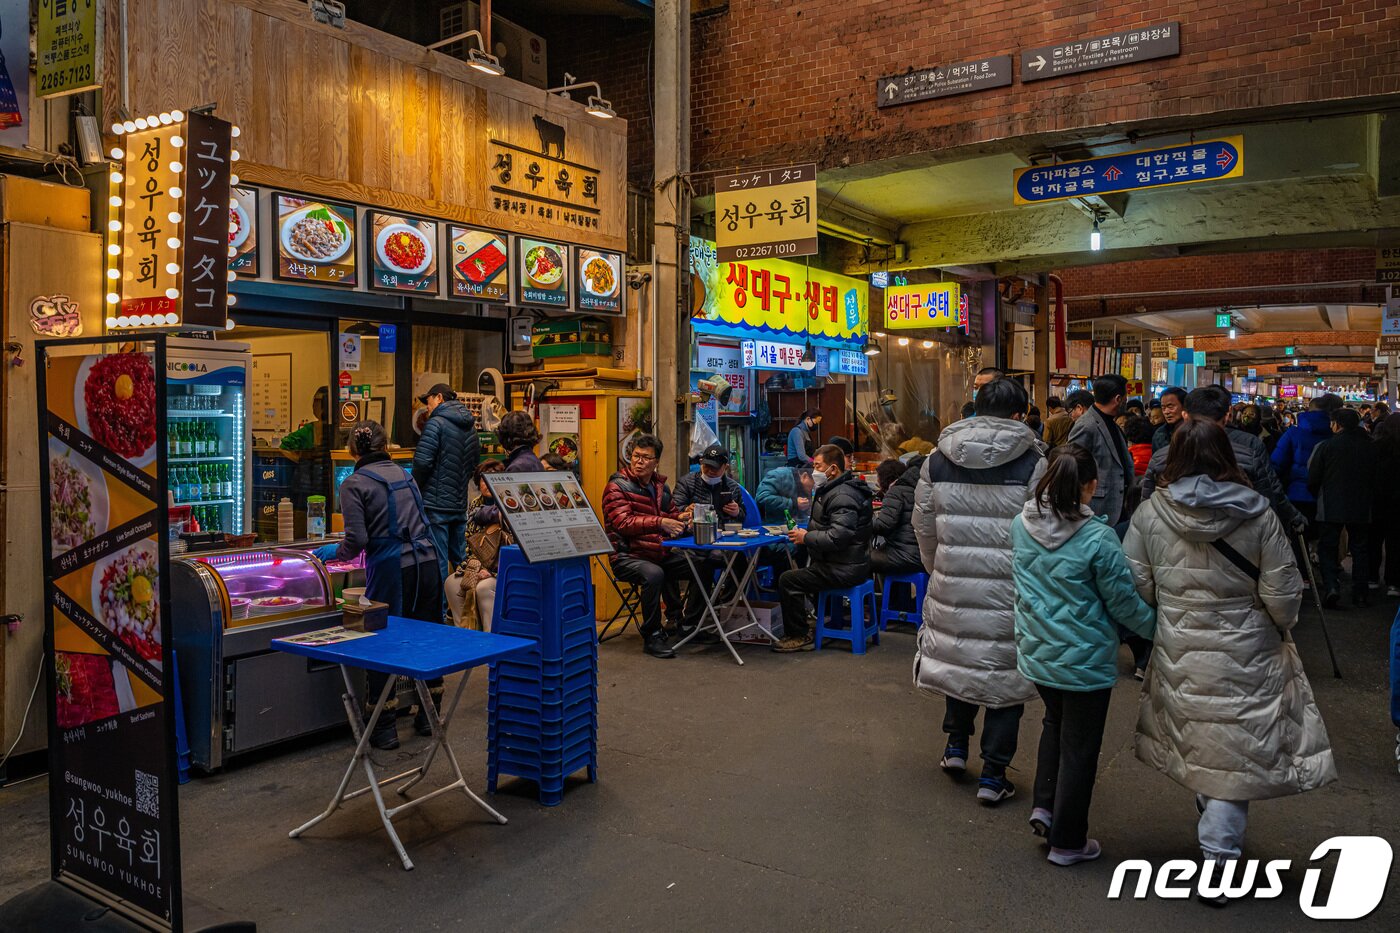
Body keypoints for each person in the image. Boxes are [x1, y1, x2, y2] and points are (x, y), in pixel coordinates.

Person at [1124, 419, 1335, 896]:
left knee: (1204, 737)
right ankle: (1219, 861)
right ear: (1228, 456)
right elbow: (1283, 594)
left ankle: (1215, 835)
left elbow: (1137, 586)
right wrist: (1276, 624)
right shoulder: (1259, 514)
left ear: (1173, 457)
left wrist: (1161, 623)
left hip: (1180, 643)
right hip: (1249, 643)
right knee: (1234, 750)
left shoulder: (1150, 513)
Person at [1011, 444, 1155, 866]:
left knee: (1055, 724)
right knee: (1081, 747)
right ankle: (1068, 842)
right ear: (1090, 486)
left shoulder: (1020, 525)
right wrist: (1159, 630)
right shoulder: (1098, 538)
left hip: (1038, 652)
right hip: (1085, 660)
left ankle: (1045, 806)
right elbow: (1123, 604)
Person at [913, 377, 1046, 804]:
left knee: (960, 662)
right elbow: (1042, 530)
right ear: (1020, 414)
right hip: (1011, 586)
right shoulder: (1033, 461)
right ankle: (993, 774)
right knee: (1004, 678)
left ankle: (955, 749)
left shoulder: (936, 457)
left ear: (976, 406)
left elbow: (922, 523)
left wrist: (938, 568)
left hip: (952, 578)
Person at [314, 422, 440, 750]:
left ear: (353, 450)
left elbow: (357, 540)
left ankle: (384, 728)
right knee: (425, 638)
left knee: (382, 642)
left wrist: (333, 553)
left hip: (392, 567)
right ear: (388, 445)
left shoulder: (353, 483)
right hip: (427, 562)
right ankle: (430, 716)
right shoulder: (405, 474)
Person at [1142, 386, 1305, 537]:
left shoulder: (1160, 459)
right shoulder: (1249, 453)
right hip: (1240, 544)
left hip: (1171, 546)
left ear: (1185, 415)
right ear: (1227, 416)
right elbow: (1268, 500)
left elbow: (1147, 509)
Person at [601, 434, 697, 658]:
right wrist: (661, 522)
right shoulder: (616, 487)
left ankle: (689, 622)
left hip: (657, 551)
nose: (639, 461)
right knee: (654, 574)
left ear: (656, 462)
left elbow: (671, 514)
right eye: (635, 456)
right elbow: (623, 523)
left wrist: (683, 517)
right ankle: (652, 634)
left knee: (701, 562)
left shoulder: (660, 487)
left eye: (645, 457)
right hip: (627, 556)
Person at [774, 444, 874, 652]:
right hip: (845, 562)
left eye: (818, 466)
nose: (814, 472)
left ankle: (798, 635)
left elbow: (839, 537)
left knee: (788, 580)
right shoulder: (834, 490)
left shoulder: (841, 496)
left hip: (844, 567)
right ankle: (813, 622)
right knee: (802, 569)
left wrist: (807, 537)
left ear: (833, 470)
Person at [1308, 407, 1378, 608]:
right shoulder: (1371, 446)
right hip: (1362, 506)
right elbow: (1376, 477)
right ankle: (1361, 593)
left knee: (1328, 548)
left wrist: (1318, 496)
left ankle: (1332, 587)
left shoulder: (1326, 446)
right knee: (1360, 549)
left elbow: (1313, 478)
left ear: (1337, 424)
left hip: (1330, 505)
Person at [412, 383, 481, 587]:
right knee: (460, 561)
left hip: (436, 505)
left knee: (439, 561)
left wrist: (415, 488)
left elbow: (422, 462)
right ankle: (465, 607)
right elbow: (474, 463)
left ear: (439, 397)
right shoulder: (470, 428)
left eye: (429, 400)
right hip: (459, 504)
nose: (427, 406)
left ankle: (440, 612)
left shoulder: (436, 424)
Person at [1271, 393, 1342, 541]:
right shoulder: (1336, 435)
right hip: (1329, 497)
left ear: (1308, 411)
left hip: (1297, 495)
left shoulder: (1293, 433)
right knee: (1327, 543)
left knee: (1299, 541)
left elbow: (1276, 464)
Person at [1068, 374, 1134, 527]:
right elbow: (1072, 466)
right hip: (1099, 506)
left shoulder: (1111, 422)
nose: (1126, 401)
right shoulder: (1087, 425)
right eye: (1125, 397)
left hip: (1119, 505)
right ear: (1118, 399)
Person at [459, 460, 507, 630]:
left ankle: (490, 635)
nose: (487, 484)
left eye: (493, 479)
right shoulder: (475, 504)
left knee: (483, 588)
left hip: (499, 569)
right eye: (483, 479)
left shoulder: (505, 508)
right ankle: (466, 634)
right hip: (477, 565)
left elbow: (508, 545)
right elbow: (468, 539)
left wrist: (490, 571)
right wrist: (474, 567)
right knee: (452, 583)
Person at [870, 456, 922, 577]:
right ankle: (897, 595)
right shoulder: (917, 489)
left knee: (863, 559)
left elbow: (883, 526)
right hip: (923, 555)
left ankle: (883, 596)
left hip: (906, 555)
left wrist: (865, 520)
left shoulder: (895, 492)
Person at [1370, 414, 1400, 597]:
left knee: (1373, 540)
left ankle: (1372, 578)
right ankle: (1394, 583)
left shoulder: (1375, 448)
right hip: (1398, 504)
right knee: (1396, 543)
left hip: (1376, 501)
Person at [1152, 387, 1186, 451]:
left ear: (1184, 406)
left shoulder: (1196, 432)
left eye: (1170, 407)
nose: (1166, 412)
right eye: (1163, 408)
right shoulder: (1159, 435)